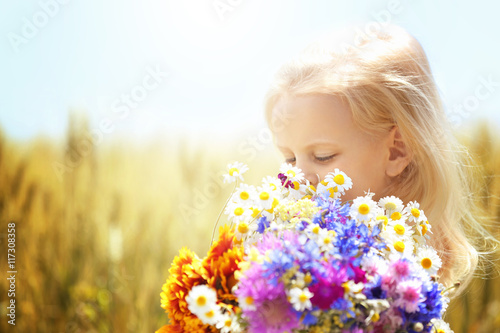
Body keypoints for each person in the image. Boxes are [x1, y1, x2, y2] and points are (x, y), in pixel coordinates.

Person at [263, 24, 497, 294]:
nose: (298, 179)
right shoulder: (292, 248)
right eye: (290, 159)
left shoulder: (397, 281)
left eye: (323, 156)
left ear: (397, 150)